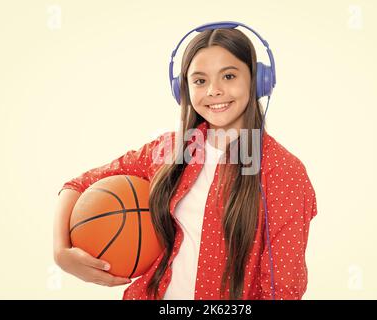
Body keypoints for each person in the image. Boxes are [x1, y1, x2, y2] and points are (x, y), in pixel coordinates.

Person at [53, 23, 317, 300]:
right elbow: (78, 184)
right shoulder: (168, 150)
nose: (214, 90)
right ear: (183, 90)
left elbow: (283, 289)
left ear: (258, 80)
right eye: (200, 81)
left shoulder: (283, 171)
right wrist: (61, 253)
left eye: (228, 76)